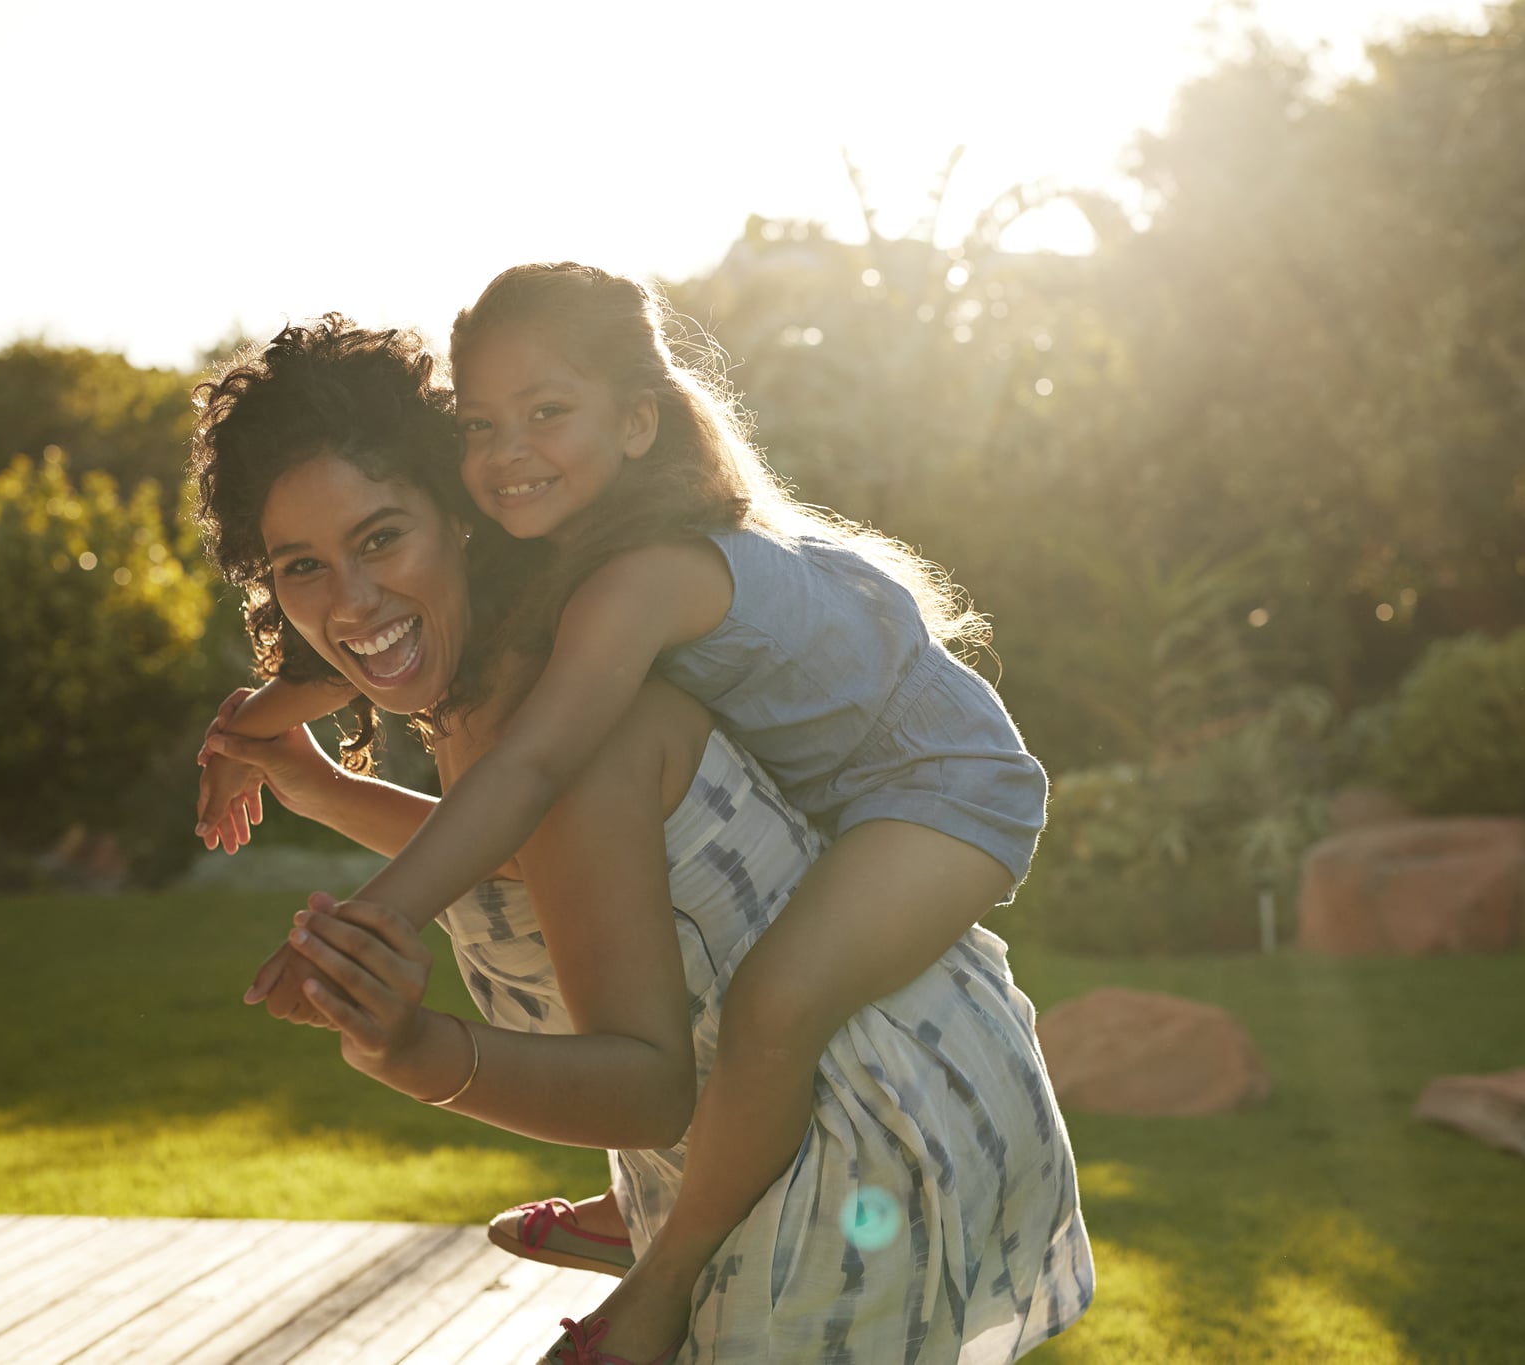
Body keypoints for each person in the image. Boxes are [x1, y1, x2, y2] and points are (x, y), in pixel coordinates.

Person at [188, 316, 1091, 1363]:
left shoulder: (561, 717)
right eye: (301, 565)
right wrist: (322, 787)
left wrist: (410, 1048)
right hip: (754, 1150)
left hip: (845, 1149)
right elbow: (547, 868)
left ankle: (649, 1269)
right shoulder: (500, 693)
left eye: (382, 538)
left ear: (464, 519)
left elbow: (648, 1086)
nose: (348, 601)